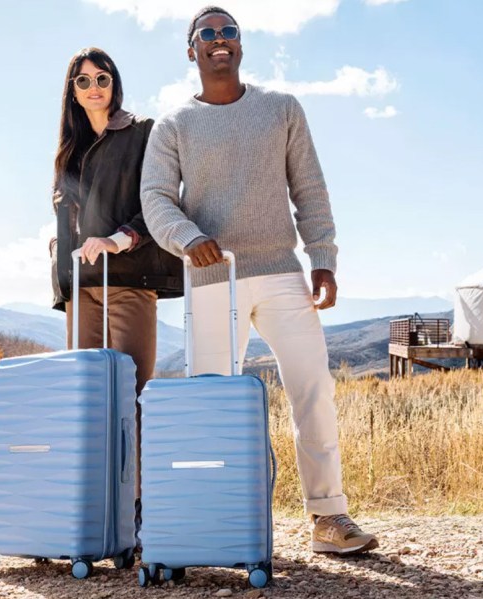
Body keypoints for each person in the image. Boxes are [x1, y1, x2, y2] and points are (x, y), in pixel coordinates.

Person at [140, 7, 378, 554]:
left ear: (241, 46)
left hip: (280, 272)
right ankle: (210, 521)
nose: (219, 41)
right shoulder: (174, 125)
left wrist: (323, 257)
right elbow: (154, 197)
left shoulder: (281, 109)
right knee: (211, 405)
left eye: (229, 33)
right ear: (191, 49)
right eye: (208, 34)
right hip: (210, 279)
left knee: (313, 391)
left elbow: (310, 188)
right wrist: (186, 235)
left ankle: (328, 517)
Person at [50, 47, 182, 396]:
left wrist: (118, 239)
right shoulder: (69, 148)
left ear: (114, 83)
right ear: (73, 92)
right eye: (83, 80)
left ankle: (135, 455)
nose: (94, 86)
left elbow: (159, 200)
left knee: (133, 393)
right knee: (86, 397)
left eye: (102, 78)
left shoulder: (143, 131)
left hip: (130, 279)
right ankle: (94, 455)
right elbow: (63, 212)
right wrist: (61, 263)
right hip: (81, 286)